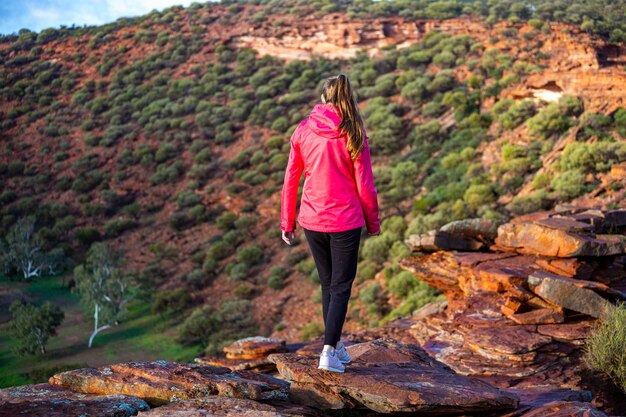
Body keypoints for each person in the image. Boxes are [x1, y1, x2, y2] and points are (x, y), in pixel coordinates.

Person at [279, 73, 381, 373]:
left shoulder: (302, 131)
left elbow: (290, 179)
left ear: (324, 97)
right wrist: (373, 222)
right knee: (341, 286)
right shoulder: (354, 132)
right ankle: (328, 353)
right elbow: (366, 186)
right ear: (347, 97)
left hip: (311, 219)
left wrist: (287, 221)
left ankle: (334, 345)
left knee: (329, 285)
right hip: (345, 220)